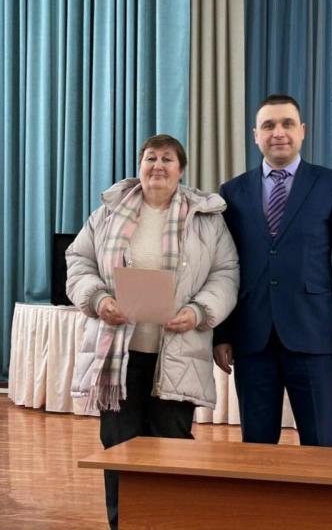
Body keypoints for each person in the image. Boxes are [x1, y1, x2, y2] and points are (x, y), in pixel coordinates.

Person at [66, 134, 239, 529]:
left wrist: (198, 311)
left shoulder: (206, 219)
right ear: (140, 165)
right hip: (118, 358)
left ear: (181, 170)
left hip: (177, 355)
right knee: (119, 448)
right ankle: (122, 524)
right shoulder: (108, 212)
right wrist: (98, 299)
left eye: (167, 159)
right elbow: (78, 260)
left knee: (172, 447)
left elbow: (226, 274)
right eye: (150, 158)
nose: (157, 165)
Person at [213, 94, 332, 448]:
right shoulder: (232, 192)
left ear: (302, 131)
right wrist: (222, 334)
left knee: (320, 445)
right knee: (257, 448)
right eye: (268, 125)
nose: (278, 132)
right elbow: (223, 269)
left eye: (287, 124)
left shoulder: (331, 185)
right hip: (252, 340)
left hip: (314, 337)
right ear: (255, 135)